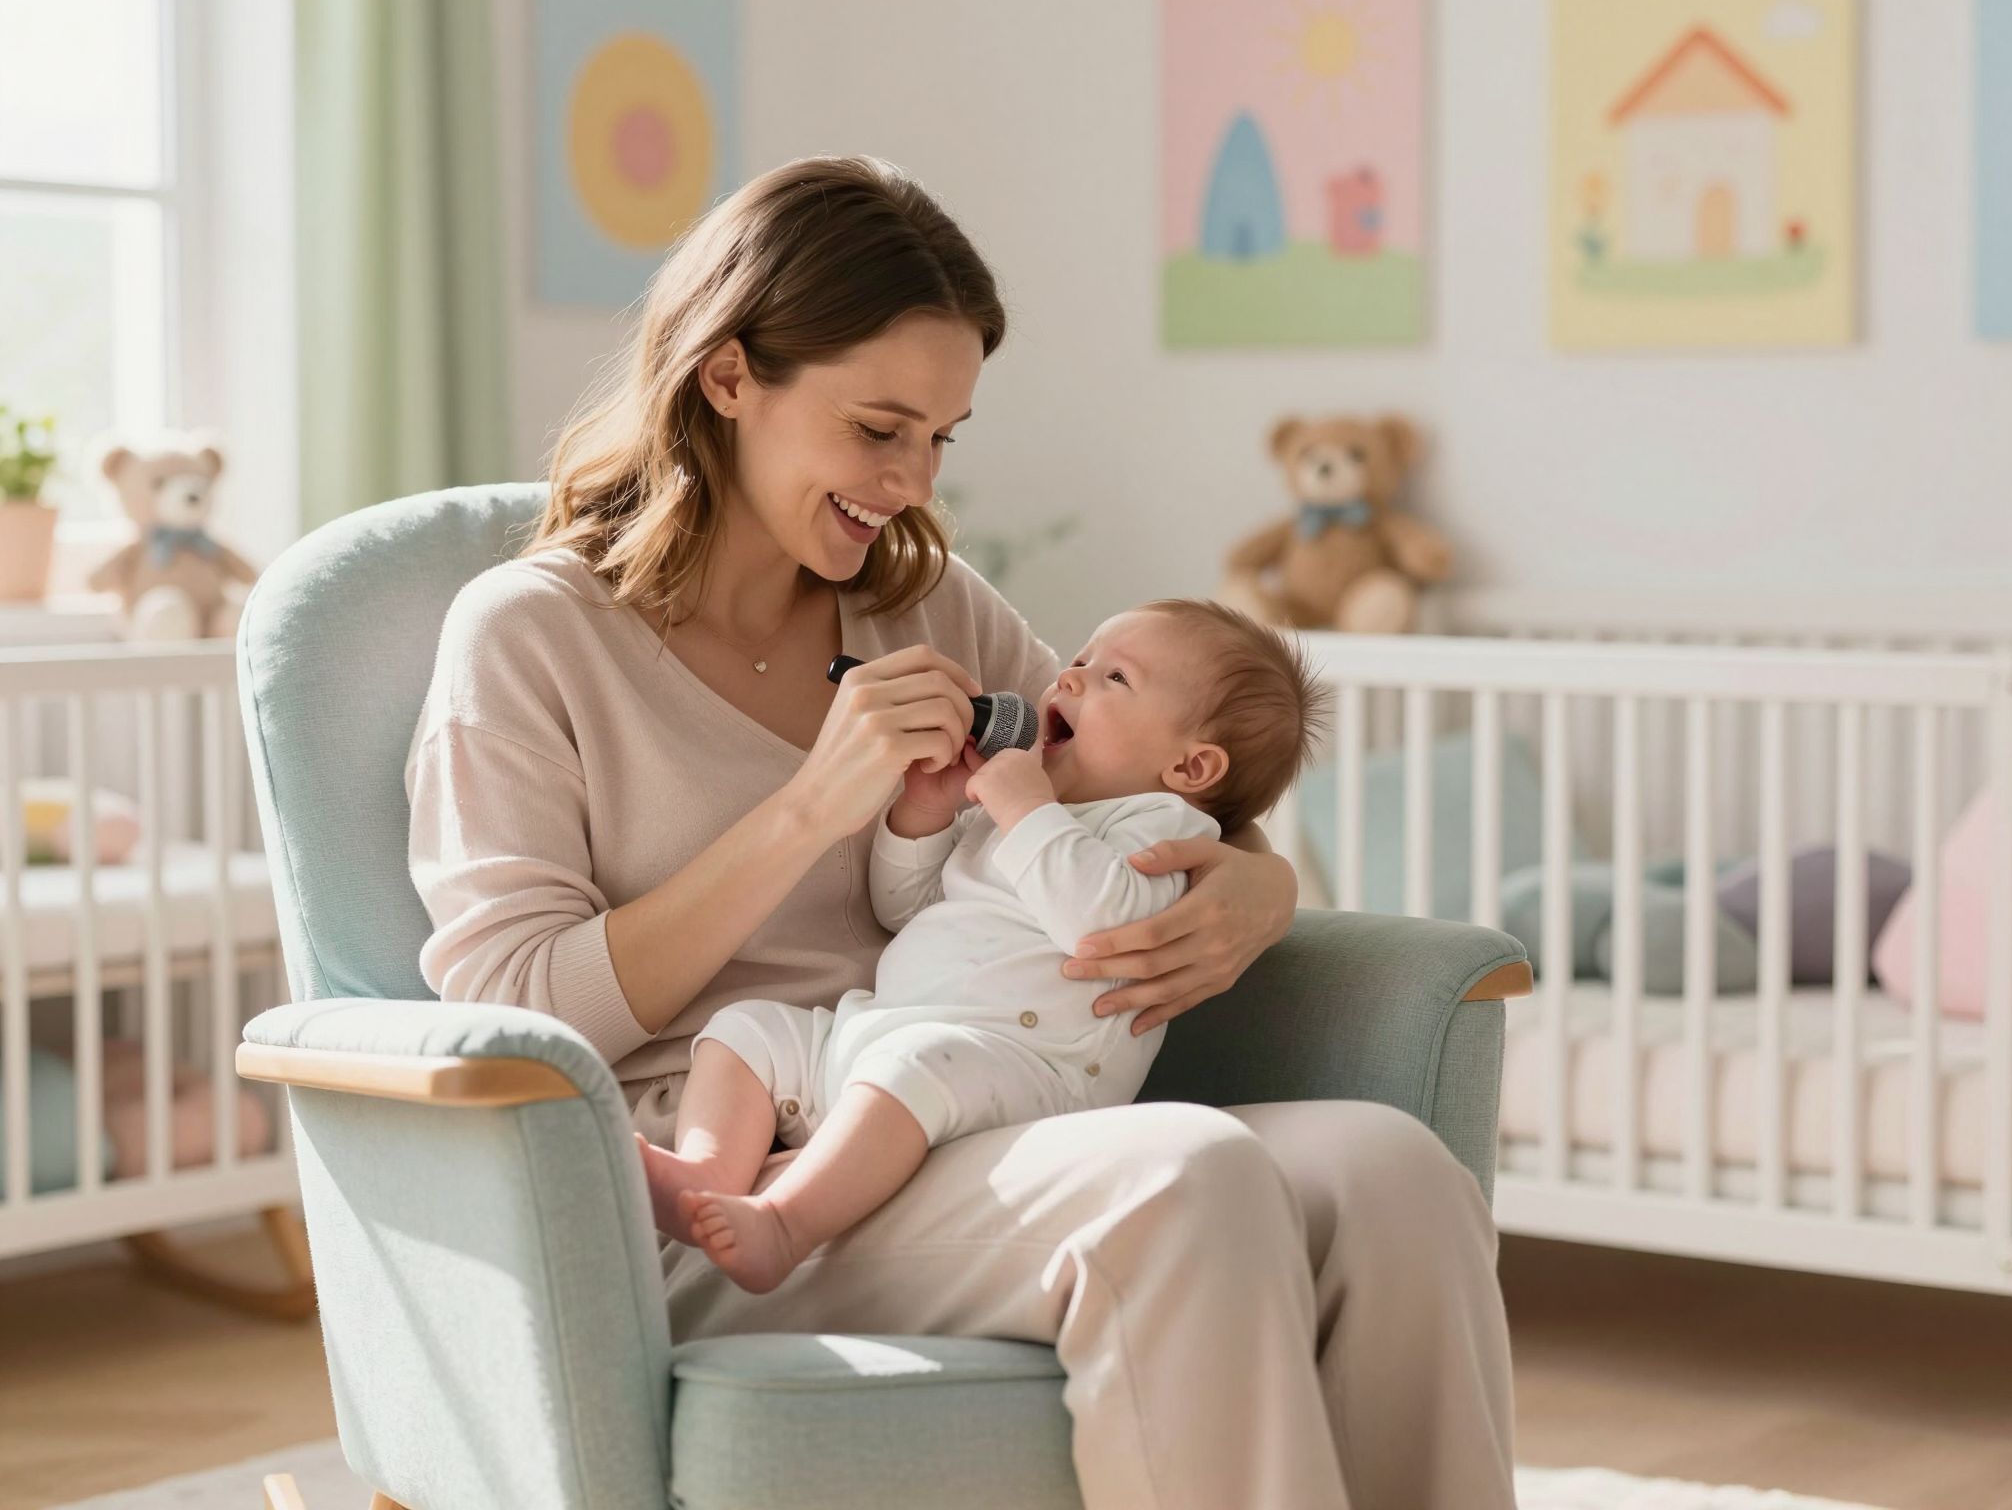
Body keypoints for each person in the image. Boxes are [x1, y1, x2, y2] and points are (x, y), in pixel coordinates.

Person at [405, 153, 1515, 1510]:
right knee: (1183, 1176)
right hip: (733, 1175)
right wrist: (814, 803)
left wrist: (1259, 890)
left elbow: (1153, 791)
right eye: (880, 429)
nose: (914, 482)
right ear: (729, 375)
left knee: (1393, 1174)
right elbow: (513, 1009)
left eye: (943, 436)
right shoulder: (528, 638)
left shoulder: (929, 605)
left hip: (982, 1110)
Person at [637, 599, 1325, 1294]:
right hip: (882, 1037)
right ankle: (707, 1176)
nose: (1071, 680)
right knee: (747, 1030)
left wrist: (1027, 810)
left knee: (913, 1065)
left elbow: (1101, 923)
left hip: (1020, 1068)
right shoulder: (1027, 809)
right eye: (1080, 659)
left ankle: (784, 1224)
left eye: (1116, 678)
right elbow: (908, 908)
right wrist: (925, 813)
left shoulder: (1157, 827)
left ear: (1191, 768)